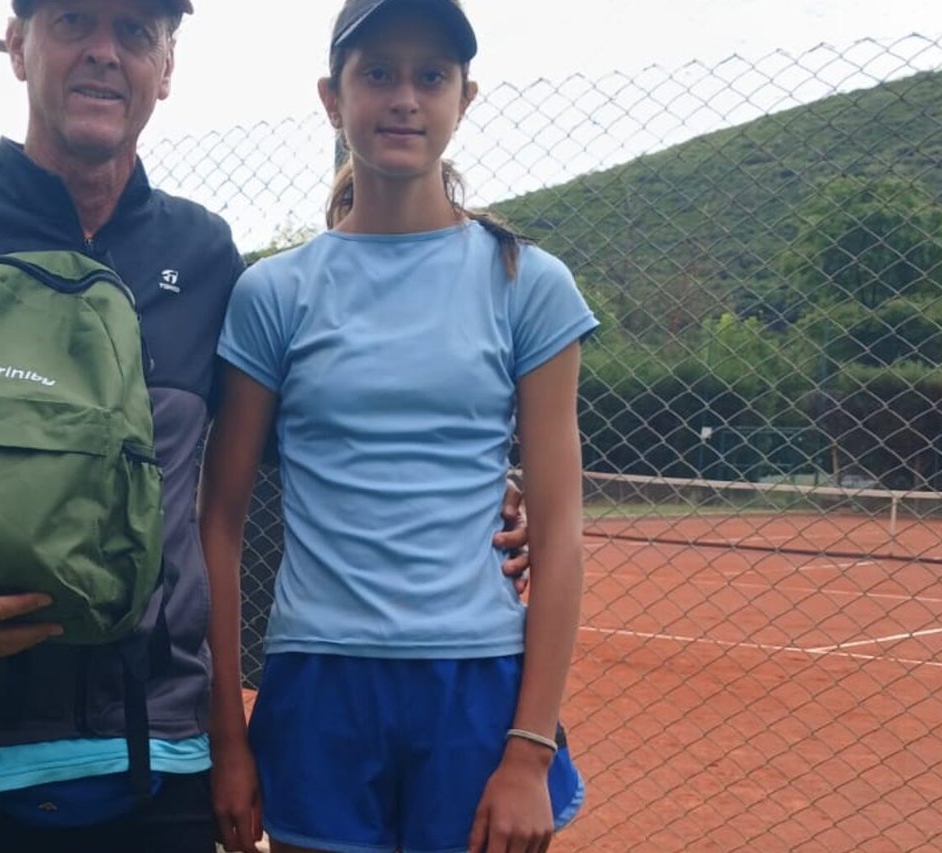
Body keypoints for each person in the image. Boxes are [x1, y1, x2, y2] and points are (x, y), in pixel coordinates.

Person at [0, 1, 533, 850]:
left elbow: (309, 437)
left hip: (160, 773)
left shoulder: (204, 255)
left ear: (167, 66)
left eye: (134, 31)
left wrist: (468, 490)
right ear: (19, 46)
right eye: (74, 21)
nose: (103, 53)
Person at [199, 1, 597, 852]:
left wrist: (529, 749)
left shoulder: (527, 283)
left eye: (431, 75)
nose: (405, 98)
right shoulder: (274, 293)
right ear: (331, 97)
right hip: (319, 680)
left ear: (465, 97)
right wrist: (228, 736)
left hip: (477, 684)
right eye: (377, 72)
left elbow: (562, 529)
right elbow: (219, 520)